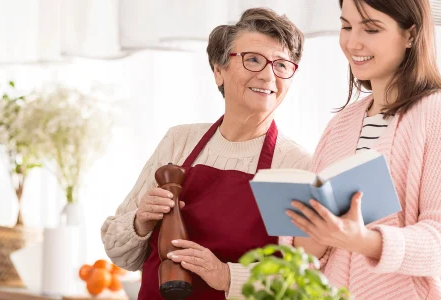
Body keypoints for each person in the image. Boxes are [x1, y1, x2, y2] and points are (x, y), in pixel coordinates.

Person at [101, 8, 311, 299]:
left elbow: (301, 278)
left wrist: (227, 276)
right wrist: (140, 222)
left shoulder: (296, 165)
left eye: (281, 65)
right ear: (218, 70)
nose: (267, 75)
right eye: (252, 60)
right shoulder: (180, 141)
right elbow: (120, 254)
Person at [286, 0, 441, 298]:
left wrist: (365, 241)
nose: (352, 42)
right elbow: (309, 255)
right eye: (346, 27)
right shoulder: (340, 125)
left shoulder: (435, 113)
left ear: (410, 35)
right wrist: (312, 233)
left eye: (371, 28)